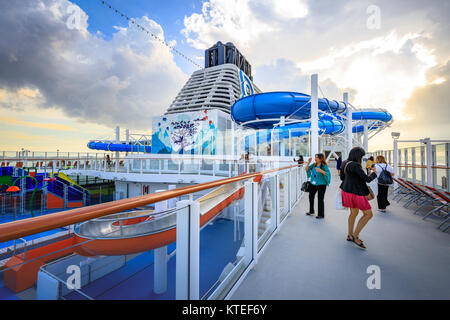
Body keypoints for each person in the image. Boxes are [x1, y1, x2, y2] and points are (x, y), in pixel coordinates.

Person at [340, 147, 377, 249]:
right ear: (358, 156)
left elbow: (342, 178)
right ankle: (355, 236)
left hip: (346, 191)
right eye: (362, 156)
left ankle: (350, 234)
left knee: (354, 213)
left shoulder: (345, 163)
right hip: (356, 193)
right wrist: (374, 173)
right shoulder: (356, 165)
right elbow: (367, 179)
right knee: (368, 214)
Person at [305, 154, 331, 219]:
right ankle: (311, 211)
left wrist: (321, 171)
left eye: (317, 157)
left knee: (320, 198)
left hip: (321, 184)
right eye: (315, 157)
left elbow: (328, 173)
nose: (315, 158)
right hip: (313, 183)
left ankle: (321, 214)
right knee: (311, 196)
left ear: (321, 158)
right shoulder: (314, 164)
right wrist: (308, 162)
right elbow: (307, 169)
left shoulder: (324, 166)